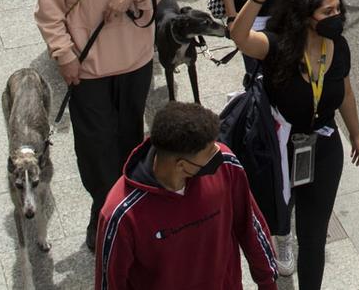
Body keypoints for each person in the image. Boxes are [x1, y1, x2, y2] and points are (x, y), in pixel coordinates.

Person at [35, 0, 174, 242]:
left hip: (135, 59)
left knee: (130, 136)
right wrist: (65, 56)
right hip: (88, 65)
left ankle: (129, 208)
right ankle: (104, 211)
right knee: (96, 145)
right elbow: (48, 8)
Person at [227, 0, 359, 290]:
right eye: (327, 12)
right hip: (277, 148)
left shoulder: (339, 46)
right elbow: (239, 36)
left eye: (338, 10)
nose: (336, 17)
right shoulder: (278, 48)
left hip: (323, 147)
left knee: (314, 236)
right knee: (275, 215)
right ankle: (281, 236)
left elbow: (344, 92)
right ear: (307, 17)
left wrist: (357, 135)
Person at [93, 100, 278, 290]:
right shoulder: (120, 215)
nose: (219, 153)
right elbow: (110, 283)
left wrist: (268, 282)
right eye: (209, 153)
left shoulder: (226, 166)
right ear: (182, 166)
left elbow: (251, 226)